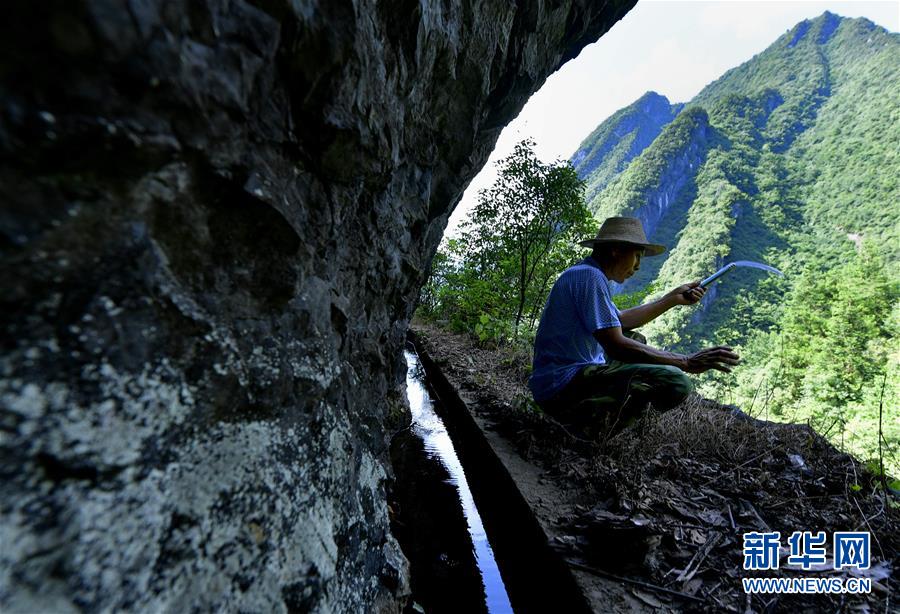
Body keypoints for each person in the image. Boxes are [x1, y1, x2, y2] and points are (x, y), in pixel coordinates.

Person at [529, 216, 740, 433]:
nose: (638, 266)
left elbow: (619, 321)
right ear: (616, 250)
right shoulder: (590, 278)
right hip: (561, 386)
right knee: (676, 382)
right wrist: (685, 362)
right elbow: (615, 345)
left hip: (556, 380)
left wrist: (671, 299)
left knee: (635, 340)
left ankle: (600, 409)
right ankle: (588, 430)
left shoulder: (586, 273)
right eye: (637, 256)